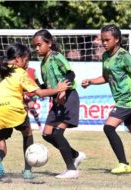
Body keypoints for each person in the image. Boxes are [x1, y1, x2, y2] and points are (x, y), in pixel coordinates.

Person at [0, 43, 71, 179]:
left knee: (1, 146)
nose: (27, 64)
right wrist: (59, 89)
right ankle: (28, 170)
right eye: (26, 60)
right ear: (18, 59)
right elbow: (39, 93)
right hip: (12, 109)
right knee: (27, 133)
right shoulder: (20, 72)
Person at [82, 24, 131, 175]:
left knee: (108, 127)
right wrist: (91, 81)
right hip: (122, 100)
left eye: (107, 40)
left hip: (128, 99)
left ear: (117, 40)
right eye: (102, 40)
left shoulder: (123, 55)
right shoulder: (106, 56)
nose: (104, 43)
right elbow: (107, 77)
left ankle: (124, 164)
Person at [32, 29, 86, 179]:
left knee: (57, 132)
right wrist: (33, 90)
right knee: (47, 134)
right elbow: (48, 85)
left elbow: (70, 74)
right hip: (56, 101)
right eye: (34, 46)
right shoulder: (43, 63)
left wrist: (63, 89)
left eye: (39, 45)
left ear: (49, 43)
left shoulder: (56, 56)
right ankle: (75, 155)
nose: (36, 48)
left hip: (68, 97)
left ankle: (71, 169)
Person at [23, 66, 42, 130]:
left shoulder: (32, 70)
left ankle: (39, 125)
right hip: (23, 94)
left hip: (32, 93)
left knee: (31, 108)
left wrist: (40, 93)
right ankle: (27, 127)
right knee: (25, 110)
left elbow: (37, 81)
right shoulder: (19, 71)